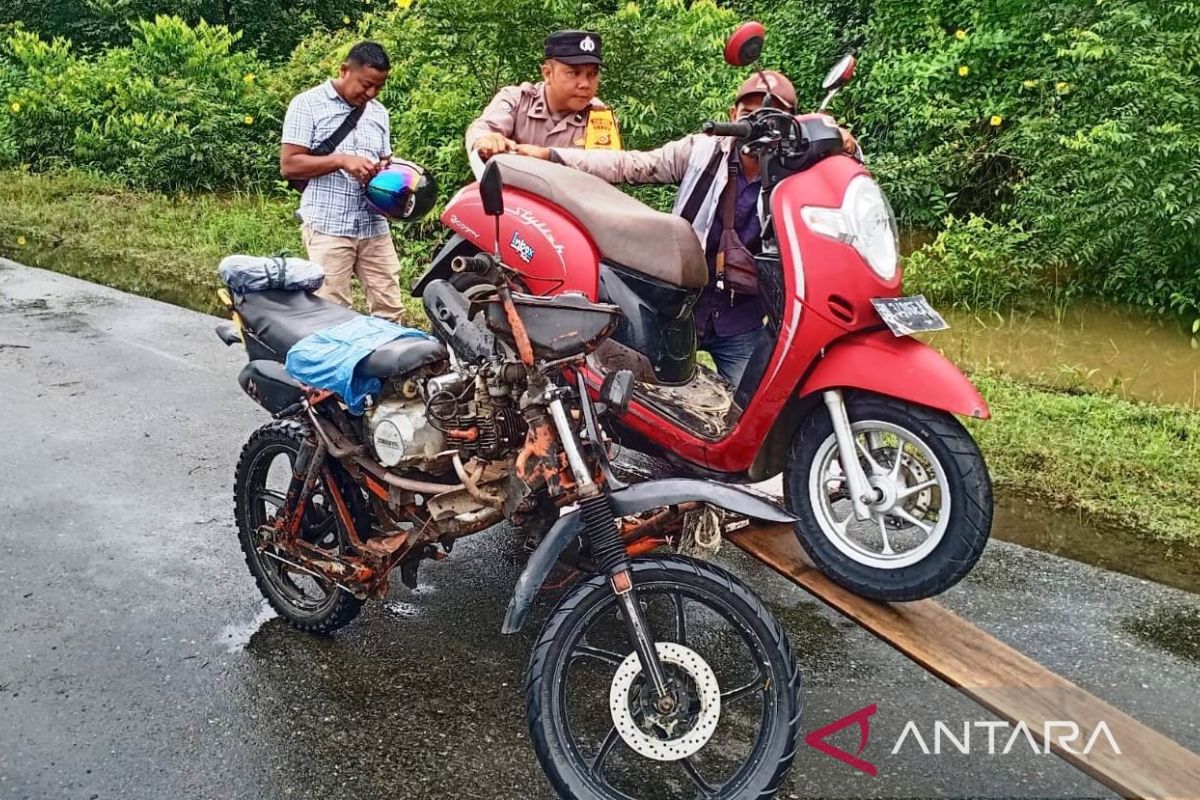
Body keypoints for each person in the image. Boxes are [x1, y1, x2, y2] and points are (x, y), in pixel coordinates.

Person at [515, 71, 858, 386]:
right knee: (645, 395)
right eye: (749, 112)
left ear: (790, 123)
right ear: (732, 114)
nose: (758, 123)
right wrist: (552, 156)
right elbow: (632, 164)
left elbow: (843, 187)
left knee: (748, 412)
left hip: (742, 317)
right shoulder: (702, 149)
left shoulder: (797, 171)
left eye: (772, 115)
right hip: (680, 305)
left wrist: (846, 146)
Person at [280, 41, 405, 320]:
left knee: (390, 308)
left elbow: (386, 158)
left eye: (379, 87)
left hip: (373, 225)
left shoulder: (378, 112)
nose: (371, 93)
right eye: (365, 84)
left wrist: (387, 170)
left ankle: (388, 363)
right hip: (329, 225)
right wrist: (342, 160)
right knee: (332, 311)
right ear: (344, 70)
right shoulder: (307, 104)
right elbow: (289, 165)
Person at [464, 30, 621, 177]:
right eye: (574, 73)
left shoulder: (600, 117)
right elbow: (482, 128)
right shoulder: (518, 100)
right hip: (513, 201)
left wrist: (548, 156)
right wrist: (486, 139)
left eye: (592, 74)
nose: (585, 84)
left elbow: (607, 167)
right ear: (547, 73)